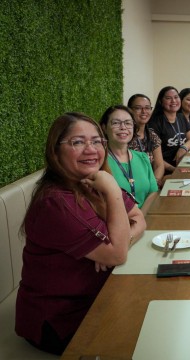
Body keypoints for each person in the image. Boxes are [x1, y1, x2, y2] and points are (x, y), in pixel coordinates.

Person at [15, 113, 146, 355]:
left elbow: (138, 219)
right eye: (78, 142)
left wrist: (119, 241)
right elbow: (117, 255)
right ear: (56, 151)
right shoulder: (55, 202)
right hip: (61, 318)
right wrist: (113, 193)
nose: (91, 149)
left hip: (99, 295)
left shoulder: (92, 180)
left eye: (97, 141)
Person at [100, 105, 158, 214]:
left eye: (128, 123)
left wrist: (141, 217)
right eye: (116, 123)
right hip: (116, 223)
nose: (123, 127)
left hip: (146, 219)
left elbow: (153, 193)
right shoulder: (99, 162)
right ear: (104, 127)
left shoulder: (143, 157)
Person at [149, 86, 190, 174]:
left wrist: (183, 148)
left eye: (176, 97)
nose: (174, 101)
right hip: (165, 170)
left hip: (183, 164)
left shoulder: (181, 117)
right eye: (168, 98)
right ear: (161, 101)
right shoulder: (155, 123)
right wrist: (174, 170)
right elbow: (154, 158)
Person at [127, 94, 164, 186]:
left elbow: (159, 165)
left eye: (147, 108)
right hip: (133, 185)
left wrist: (154, 182)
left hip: (151, 183)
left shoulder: (151, 135)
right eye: (138, 108)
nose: (144, 112)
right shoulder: (126, 136)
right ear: (129, 110)